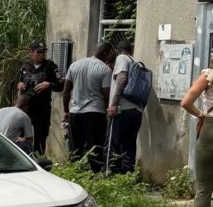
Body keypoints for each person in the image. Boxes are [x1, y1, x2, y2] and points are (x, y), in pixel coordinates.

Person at [62, 43, 114, 173]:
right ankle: (95, 174)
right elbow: (106, 94)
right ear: (106, 54)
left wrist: (66, 110)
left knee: (75, 147)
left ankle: (75, 172)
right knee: (95, 146)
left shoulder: (74, 65)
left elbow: (66, 91)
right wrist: (109, 109)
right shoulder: (105, 69)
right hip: (95, 112)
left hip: (76, 112)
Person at [180, 65, 213, 207]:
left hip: (210, 130)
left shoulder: (208, 75)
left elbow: (185, 102)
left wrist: (201, 114)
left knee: (204, 188)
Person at [17, 42, 63, 154]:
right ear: (31, 53)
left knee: (40, 137)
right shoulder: (25, 66)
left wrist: (49, 84)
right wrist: (19, 84)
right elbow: (18, 81)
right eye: (39, 52)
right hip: (26, 108)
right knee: (22, 137)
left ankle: (38, 161)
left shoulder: (51, 66)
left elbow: (60, 85)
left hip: (42, 108)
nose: (41, 55)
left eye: (43, 52)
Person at [107, 40, 142, 174]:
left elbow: (121, 79)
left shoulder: (122, 58)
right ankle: (128, 174)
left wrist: (114, 104)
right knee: (129, 144)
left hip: (123, 109)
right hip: (136, 110)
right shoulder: (135, 62)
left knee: (115, 143)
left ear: (117, 51)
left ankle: (115, 175)